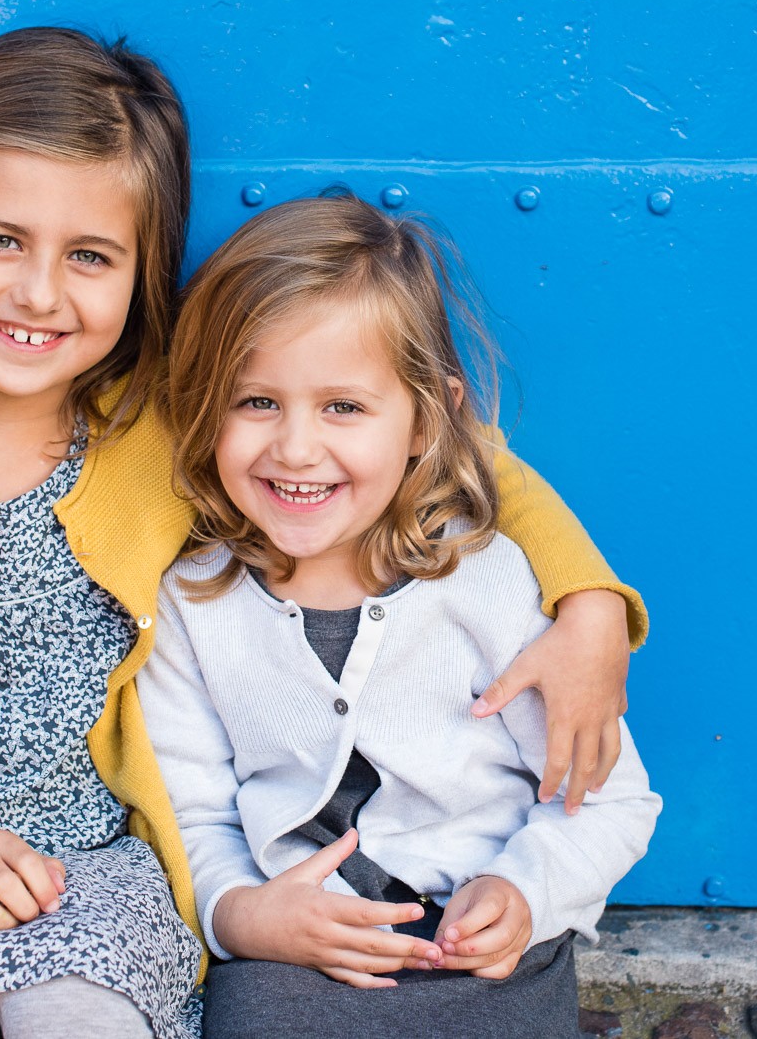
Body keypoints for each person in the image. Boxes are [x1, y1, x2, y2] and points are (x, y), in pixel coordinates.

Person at [0, 27, 645, 1039]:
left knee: (82, 1022)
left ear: (141, 268)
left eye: (89, 255)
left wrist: (591, 606)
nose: (38, 293)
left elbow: (464, 454)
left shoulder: (171, 418)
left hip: (113, 864)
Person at [140, 192, 662, 1039]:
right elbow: (191, 811)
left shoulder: (488, 581)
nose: (296, 449)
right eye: (255, 402)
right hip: (294, 956)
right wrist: (240, 915)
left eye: (342, 406)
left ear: (427, 416)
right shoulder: (193, 598)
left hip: (487, 954)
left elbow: (612, 802)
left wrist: (525, 893)